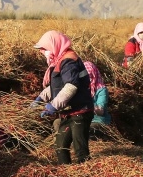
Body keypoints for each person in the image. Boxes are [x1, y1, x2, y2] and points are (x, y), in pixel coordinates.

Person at [33, 31, 94, 164]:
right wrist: (41, 98)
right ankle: (66, 174)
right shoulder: (59, 61)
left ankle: (84, 175)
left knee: (80, 150)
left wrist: (54, 106)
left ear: (54, 45)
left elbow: (71, 86)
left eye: (45, 49)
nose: (43, 53)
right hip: (69, 112)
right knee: (60, 146)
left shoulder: (68, 61)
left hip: (80, 111)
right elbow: (57, 85)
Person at [84, 61, 112, 126]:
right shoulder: (81, 88)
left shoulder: (102, 90)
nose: (88, 79)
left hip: (97, 119)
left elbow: (100, 112)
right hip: (82, 118)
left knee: (89, 128)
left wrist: (89, 107)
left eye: (90, 76)